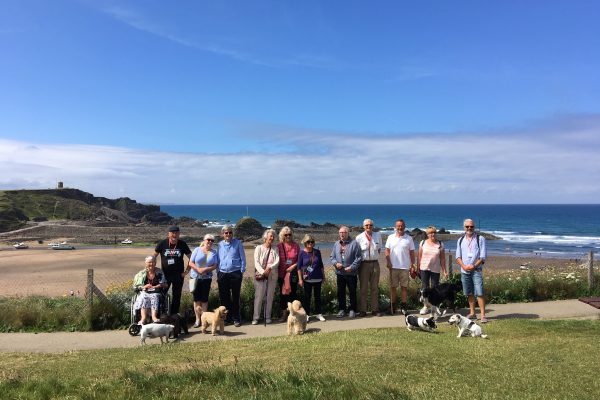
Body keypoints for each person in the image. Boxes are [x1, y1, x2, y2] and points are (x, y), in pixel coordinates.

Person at [154, 226, 192, 315]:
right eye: (172, 233)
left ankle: (174, 315)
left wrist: (186, 271)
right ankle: (161, 314)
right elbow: (153, 257)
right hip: (165, 275)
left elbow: (192, 258)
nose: (174, 235)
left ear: (179, 234)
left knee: (177, 296)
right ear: (169, 234)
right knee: (161, 294)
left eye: (176, 233)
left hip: (179, 275)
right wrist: (154, 270)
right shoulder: (162, 243)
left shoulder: (182, 244)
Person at [456, 218, 487, 323]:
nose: (469, 228)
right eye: (467, 226)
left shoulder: (480, 238)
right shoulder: (460, 240)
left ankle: (483, 315)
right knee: (469, 292)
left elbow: (482, 256)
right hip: (464, 270)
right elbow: (458, 257)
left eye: (471, 226)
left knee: (479, 292)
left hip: (476, 270)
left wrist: (473, 266)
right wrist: (464, 266)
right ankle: (473, 313)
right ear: (464, 227)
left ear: (474, 227)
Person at [216, 224, 246, 327]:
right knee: (224, 298)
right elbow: (218, 259)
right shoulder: (219, 245)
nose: (228, 234)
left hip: (235, 273)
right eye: (226, 233)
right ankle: (227, 318)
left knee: (236, 297)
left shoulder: (238, 243)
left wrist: (241, 271)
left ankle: (236, 318)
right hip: (223, 273)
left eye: (230, 232)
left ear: (232, 233)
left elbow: (243, 258)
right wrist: (218, 271)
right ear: (222, 234)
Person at [385, 219, 416, 315]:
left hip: (405, 267)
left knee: (404, 288)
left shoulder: (409, 239)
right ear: (395, 227)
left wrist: (412, 265)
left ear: (404, 227)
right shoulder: (390, 237)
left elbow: (412, 253)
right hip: (393, 267)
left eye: (402, 226)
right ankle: (393, 306)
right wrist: (388, 262)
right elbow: (387, 251)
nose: (400, 227)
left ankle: (403, 306)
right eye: (398, 226)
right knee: (393, 287)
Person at [330, 226, 362, 318]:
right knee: (341, 292)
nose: (342, 234)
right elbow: (332, 257)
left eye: (344, 232)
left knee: (352, 292)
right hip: (340, 273)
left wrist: (352, 267)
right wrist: (336, 264)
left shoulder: (354, 243)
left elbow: (358, 258)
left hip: (351, 273)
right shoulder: (336, 244)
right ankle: (342, 310)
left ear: (348, 233)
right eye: (340, 232)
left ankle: (352, 310)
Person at [188, 234, 219, 328]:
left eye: (212, 240)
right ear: (204, 240)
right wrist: (198, 269)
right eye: (208, 240)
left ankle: (204, 319)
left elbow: (215, 265)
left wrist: (206, 270)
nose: (210, 242)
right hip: (195, 278)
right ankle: (197, 319)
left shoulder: (214, 252)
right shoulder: (197, 249)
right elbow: (190, 263)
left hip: (207, 278)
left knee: (204, 299)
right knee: (196, 299)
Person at [355, 218, 383, 317]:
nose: (369, 227)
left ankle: (375, 309)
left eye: (370, 225)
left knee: (375, 288)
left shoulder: (378, 235)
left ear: (373, 226)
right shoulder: (359, 237)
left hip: (375, 263)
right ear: (363, 226)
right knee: (363, 288)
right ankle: (363, 310)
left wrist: (374, 257)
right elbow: (357, 252)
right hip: (364, 264)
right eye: (367, 225)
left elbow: (379, 249)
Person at [418, 226, 448, 314]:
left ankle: (435, 306)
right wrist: (417, 268)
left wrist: (444, 271)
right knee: (424, 288)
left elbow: (442, 259)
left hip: (435, 269)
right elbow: (419, 257)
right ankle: (425, 306)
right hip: (424, 268)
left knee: (435, 289)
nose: (433, 234)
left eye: (434, 232)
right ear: (427, 234)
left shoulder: (440, 244)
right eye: (430, 233)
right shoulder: (422, 243)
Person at [252, 229, 280, 325]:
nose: (272, 238)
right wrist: (264, 272)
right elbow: (256, 262)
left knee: (269, 297)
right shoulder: (259, 248)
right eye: (270, 236)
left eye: (273, 236)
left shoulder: (275, 248)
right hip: (261, 276)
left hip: (272, 276)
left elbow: (277, 261)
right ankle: (256, 317)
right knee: (259, 296)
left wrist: (270, 268)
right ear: (265, 237)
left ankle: (267, 316)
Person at [297, 234, 326, 321]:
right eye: (308, 242)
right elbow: (298, 267)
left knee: (318, 297)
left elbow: (321, 265)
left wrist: (323, 276)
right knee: (307, 298)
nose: (310, 243)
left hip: (317, 278)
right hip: (307, 279)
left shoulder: (317, 252)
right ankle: (306, 315)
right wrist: (300, 279)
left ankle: (318, 314)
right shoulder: (302, 253)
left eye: (312, 242)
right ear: (305, 242)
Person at [132, 255, 167, 324]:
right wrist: (144, 287)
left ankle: (154, 317)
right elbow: (135, 287)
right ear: (145, 263)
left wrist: (158, 286)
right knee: (144, 297)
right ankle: (143, 318)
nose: (151, 264)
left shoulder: (159, 272)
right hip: (145, 292)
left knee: (154, 296)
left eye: (153, 262)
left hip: (156, 292)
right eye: (149, 262)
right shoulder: (141, 274)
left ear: (155, 263)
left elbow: (165, 284)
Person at [277, 226, 300, 322]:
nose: (288, 236)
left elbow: (300, 260)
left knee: (293, 294)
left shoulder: (296, 246)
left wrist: (293, 266)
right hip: (282, 274)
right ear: (282, 235)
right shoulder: (279, 246)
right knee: (283, 295)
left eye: (289, 234)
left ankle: (293, 313)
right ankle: (284, 314)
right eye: (286, 235)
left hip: (293, 274)